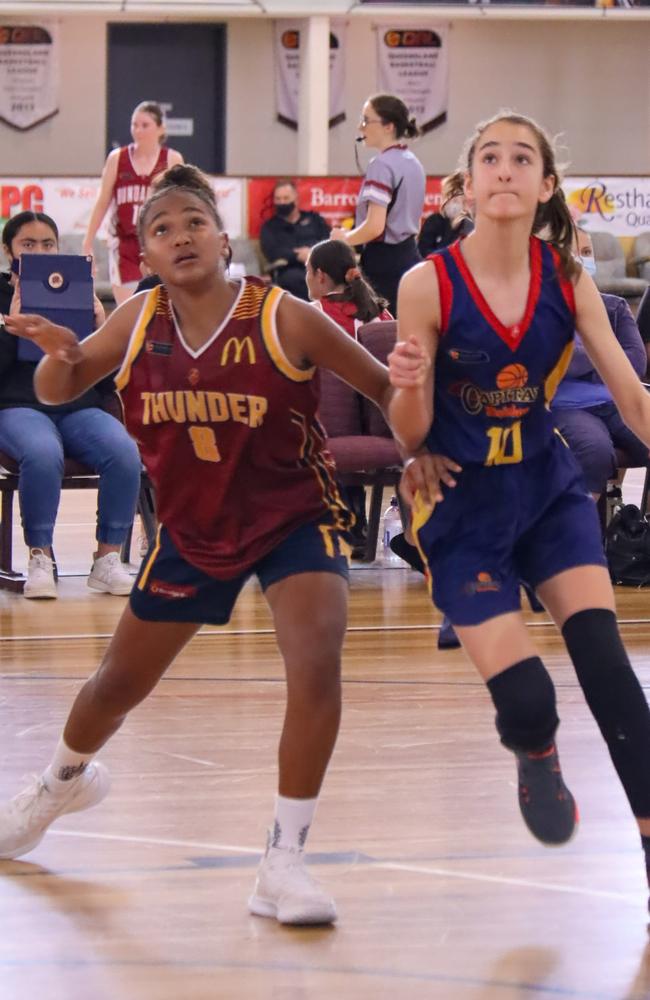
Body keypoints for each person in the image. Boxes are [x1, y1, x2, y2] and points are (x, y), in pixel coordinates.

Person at [0, 165, 392, 927]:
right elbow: (59, 386)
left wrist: (429, 449)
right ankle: (59, 784)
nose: (179, 236)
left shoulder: (286, 314)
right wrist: (60, 351)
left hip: (293, 517)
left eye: (192, 222)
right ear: (144, 254)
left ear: (223, 236)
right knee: (114, 685)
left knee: (315, 665)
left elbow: (384, 388)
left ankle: (283, 863)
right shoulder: (140, 318)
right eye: (160, 229)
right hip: (192, 529)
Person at [388, 111, 650, 917]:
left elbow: (632, 397)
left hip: (545, 489)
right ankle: (534, 747)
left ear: (544, 186)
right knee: (532, 700)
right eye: (489, 158)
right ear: (466, 186)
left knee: (610, 671)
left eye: (522, 158)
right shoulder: (426, 282)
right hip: (459, 501)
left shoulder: (569, 280)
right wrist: (406, 384)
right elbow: (410, 433)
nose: (504, 169)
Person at [0, 210, 141, 599]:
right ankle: (40, 558)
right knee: (42, 453)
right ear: (8, 251)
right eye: (28, 244)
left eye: (47, 244)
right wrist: (11, 325)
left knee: (124, 452)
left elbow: (109, 377)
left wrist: (100, 329)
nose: (40, 251)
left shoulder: (77, 292)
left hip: (79, 407)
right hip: (19, 407)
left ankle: (107, 559)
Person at [306, 238, 393, 556]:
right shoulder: (382, 315)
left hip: (329, 427)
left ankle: (346, 518)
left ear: (319, 276)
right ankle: (358, 521)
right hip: (385, 422)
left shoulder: (310, 314)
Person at [552, 229, 647, 501]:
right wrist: (606, 360)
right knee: (594, 450)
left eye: (587, 253)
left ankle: (636, 531)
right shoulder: (542, 312)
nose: (582, 260)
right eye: (574, 252)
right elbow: (559, 363)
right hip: (567, 407)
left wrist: (583, 357)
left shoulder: (614, 307)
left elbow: (636, 363)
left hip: (618, 402)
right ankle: (583, 535)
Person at [330, 94, 425, 316]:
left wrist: (344, 239)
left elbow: (375, 227)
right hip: (410, 254)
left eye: (366, 120)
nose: (360, 126)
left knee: (378, 336)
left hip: (383, 264)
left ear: (388, 127)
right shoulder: (413, 162)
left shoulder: (381, 165)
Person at [82, 101, 184, 305]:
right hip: (124, 243)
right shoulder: (117, 158)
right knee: (129, 310)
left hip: (158, 242)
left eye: (144, 125)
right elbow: (103, 200)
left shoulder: (172, 159)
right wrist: (88, 241)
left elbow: (180, 203)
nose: (137, 130)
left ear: (160, 128)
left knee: (160, 308)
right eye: (134, 124)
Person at [259, 179, 330, 301]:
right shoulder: (270, 227)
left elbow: (328, 240)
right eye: (278, 199)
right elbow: (272, 252)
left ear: (296, 200)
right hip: (289, 270)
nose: (282, 202)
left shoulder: (314, 219)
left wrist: (312, 253)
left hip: (319, 266)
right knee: (297, 280)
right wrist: (297, 255)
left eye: (286, 198)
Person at [417, 173, 474, 258]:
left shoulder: (473, 224)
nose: (449, 201)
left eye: (455, 197)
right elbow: (423, 251)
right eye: (446, 196)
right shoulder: (434, 221)